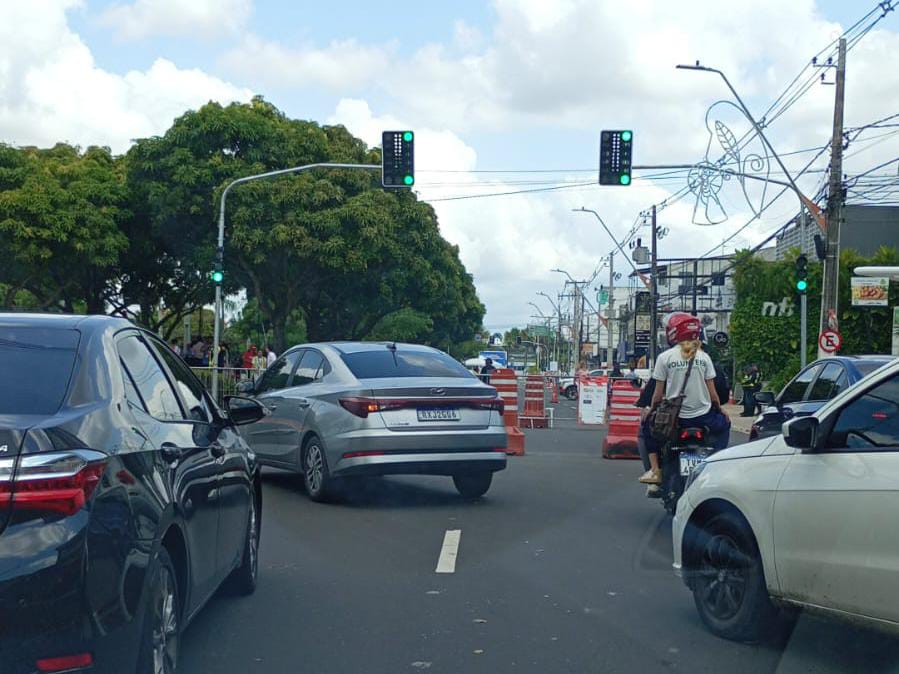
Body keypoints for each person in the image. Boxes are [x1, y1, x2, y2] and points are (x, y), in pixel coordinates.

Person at [638, 312, 731, 485]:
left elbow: (657, 395)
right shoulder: (704, 357)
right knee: (725, 425)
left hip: (675, 420)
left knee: (646, 427)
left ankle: (655, 470)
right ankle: (718, 465)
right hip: (703, 417)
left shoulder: (665, 358)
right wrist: (720, 409)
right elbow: (713, 395)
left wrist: (651, 410)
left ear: (673, 333)